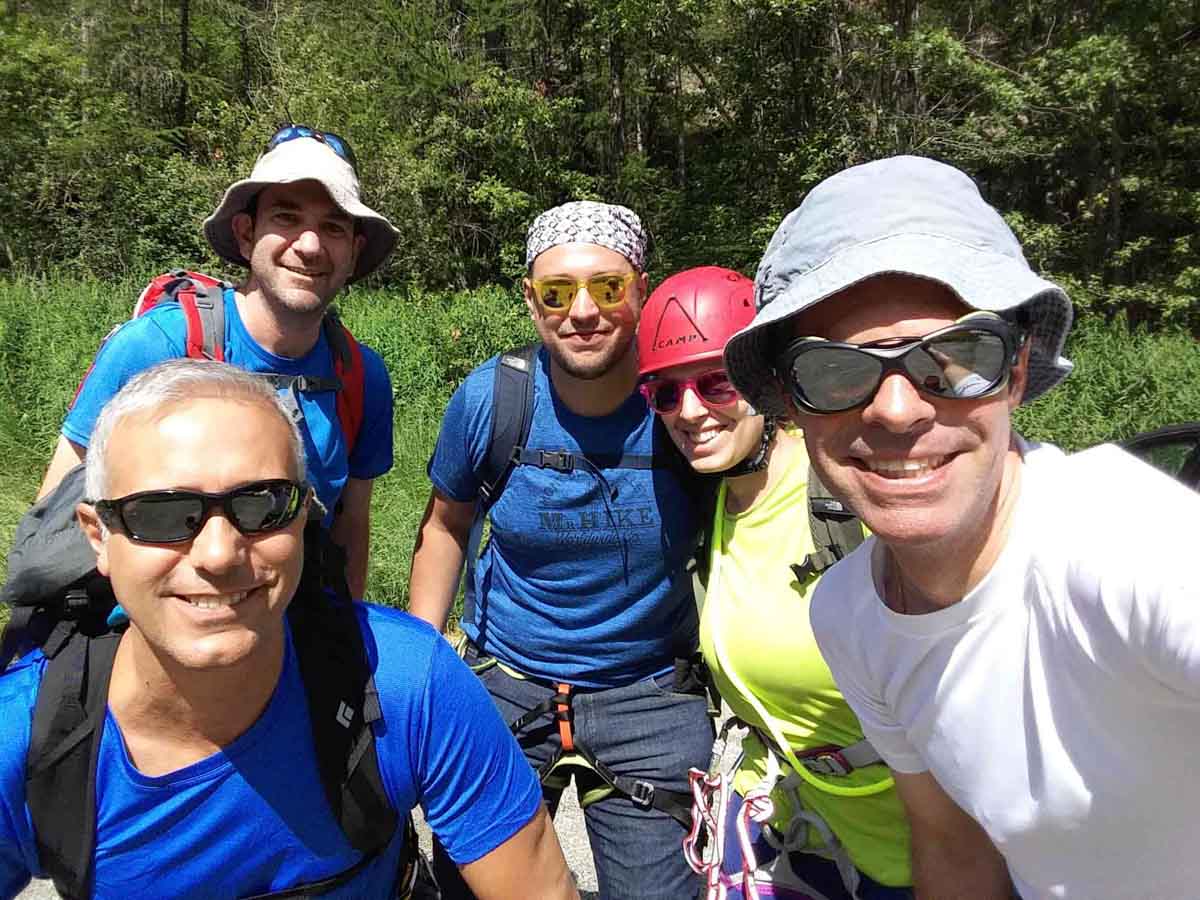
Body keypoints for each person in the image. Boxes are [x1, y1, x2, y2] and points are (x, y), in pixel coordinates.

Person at [723, 155, 1200, 899]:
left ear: (1015, 372)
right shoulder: (850, 611)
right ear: (793, 404)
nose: (898, 409)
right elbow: (952, 845)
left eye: (954, 359)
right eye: (836, 371)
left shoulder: (1132, 545)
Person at [0, 360, 578, 900]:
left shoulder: (402, 682)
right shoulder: (27, 738)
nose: (220, 553)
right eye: (162, 514)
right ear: (97, 535)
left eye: (261, 504)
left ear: (304, 517)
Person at [408, 201, 712, 899]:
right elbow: (447, 524)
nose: (583, 311)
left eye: (607, 288)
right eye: (557, 291)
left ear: (642, 287)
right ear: (529, 298)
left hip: (650, 694)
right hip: (506, 685)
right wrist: (426, 668)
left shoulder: (683, 402)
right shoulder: (494, 398)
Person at [637, 267, 912, 900]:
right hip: (785, 828)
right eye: (665, 394)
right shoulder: (709, 505)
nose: (690, 411)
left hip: (906, 842)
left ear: (764, 385)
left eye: (714, 383)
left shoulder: (852, 499)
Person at [37, 125, 397, 596]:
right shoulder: (158, 346)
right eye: (286, 218)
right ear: (246, 235)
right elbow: (54, 517)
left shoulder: (359, 377)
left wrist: (345, 639)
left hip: (291, 627)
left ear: (354, 252)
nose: (310, 245)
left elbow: (351, 525)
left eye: (333, 227)